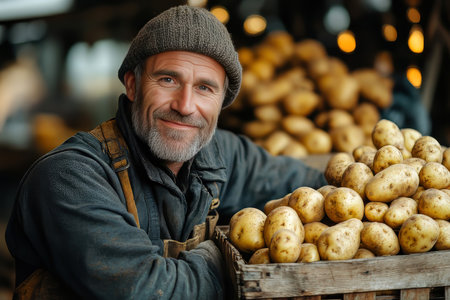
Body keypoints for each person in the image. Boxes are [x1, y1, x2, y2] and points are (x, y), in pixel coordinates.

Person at [6, 5, 327, 300]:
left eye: (205, 87)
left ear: (221, 103)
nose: (185, 106)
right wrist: (226, 252)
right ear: (132, 85)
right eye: (168, 79)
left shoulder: (223, 155)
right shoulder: (69, 177)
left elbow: (319, 186)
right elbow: (146, 291)